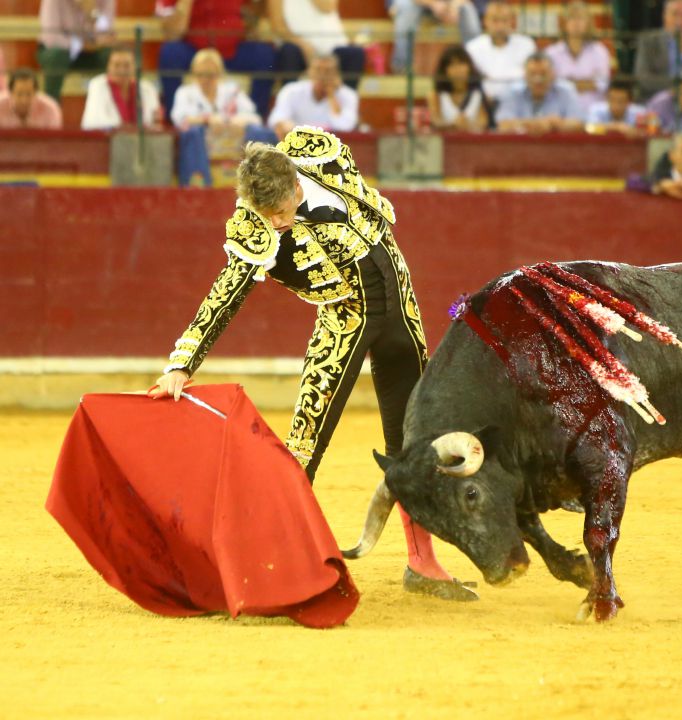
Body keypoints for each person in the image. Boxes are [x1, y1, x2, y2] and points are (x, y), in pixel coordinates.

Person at [148, 127, 478, 602]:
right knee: (304, 445)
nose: (276, 225)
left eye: (280, 213)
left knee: (416, 436)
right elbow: (224, 294)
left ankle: (422, 563)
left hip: (398, 301)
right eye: (266, 217)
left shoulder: (316, 152)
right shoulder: (255, 225)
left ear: (296, 186)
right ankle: (266, 564)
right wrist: (182, 363)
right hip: (344, 319)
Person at [170, 48, 276, 187]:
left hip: (232, 137)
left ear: (219, 73)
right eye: (200, 74)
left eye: (210, 75)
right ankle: (198, 184)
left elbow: (254, 117)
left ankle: (263, 182)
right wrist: (207, 119)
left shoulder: (232, 90)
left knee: (259, 131)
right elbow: (179, 118)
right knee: (192, 133)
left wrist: (236, 121)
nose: (204, 79)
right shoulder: (186, 92)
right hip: (203, 139)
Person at [155, 0, 276, 119]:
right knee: (169, 52)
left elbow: (257, 7)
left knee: (264, 54)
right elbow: (172, 34)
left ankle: (255, 121)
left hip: (231, 49)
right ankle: (174, 123)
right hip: (194, 51)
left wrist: (249, 24)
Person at [267, 0, 366, 90]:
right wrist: (303, 45)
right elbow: (278, 26)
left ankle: (344, 104)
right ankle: (290, 104)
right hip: (297, 47)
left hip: (332, 47)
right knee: (289, 51)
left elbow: (327, 7)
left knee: (355, 53)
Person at [37, 0, 116, 101]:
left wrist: (92, 12)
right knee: (56, 56)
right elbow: (51, 37)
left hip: (92, 52)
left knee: (112, 56)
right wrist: (82, 45)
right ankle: (52, 109)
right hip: (61, 52)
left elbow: (107, 33)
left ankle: (106, 107)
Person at [543, 2, 611, 116]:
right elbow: (550, 86)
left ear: (588, 23)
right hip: (559, 113)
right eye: (572, 18)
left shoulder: (600, 51)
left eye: (581, 18)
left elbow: (601, 84)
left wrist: (567, 82)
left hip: (592, 111)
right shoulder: (551, 52)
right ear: (564, 23)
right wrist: (586, 83)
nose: (576, 23)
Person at [268, 55, 359, 139]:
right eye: (318, 70)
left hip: (332, 147)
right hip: (298, 143)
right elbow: (277, 118)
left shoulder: (348, 95)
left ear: (336, 74)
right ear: (309, 71)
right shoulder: (291, 91)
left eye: (328, 71)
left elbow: (345, 127)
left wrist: (332, 97)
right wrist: (285, 125)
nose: (322, 75)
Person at [495, 52, 585, 134]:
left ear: (553, 74)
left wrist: (553, 125)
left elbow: (579, 124)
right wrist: (537, 123)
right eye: (533, 74)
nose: (538, 80)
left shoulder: (566, 91)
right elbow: (503, 125)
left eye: (543, 74)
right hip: (520, 148)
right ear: (524, 75)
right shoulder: (512, 92)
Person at [465, 1, 536, 103]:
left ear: (512, 21)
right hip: (484, 103)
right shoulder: (472, 47)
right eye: (495, 20)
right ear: (485, 21)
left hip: (520, 101)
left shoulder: (527, 44)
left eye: (505, 20)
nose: (500, 26)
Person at [80, 46, 162, 131]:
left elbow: (155, 124)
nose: (121, 70)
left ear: (135, 66)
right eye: (116, 65)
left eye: (126, 65)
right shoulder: (97, 85)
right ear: (108, 66)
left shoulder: (148, 89)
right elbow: (93, 123)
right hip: (108, 142)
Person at [388, 0, 482, 74]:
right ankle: (401, 65)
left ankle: (474, 65)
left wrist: (454, 4)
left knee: (468, 10)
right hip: (419, 5)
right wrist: (433, 3)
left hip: (447, 6)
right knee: (405, 5)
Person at [427, 45, 491, 132]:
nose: (457, 69)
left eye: (461, 64)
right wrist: (453, 124)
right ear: (445, 70)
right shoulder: (436, 95)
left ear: (469, 67)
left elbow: (483, 122)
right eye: (452, 65)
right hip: (447, 142)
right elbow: (435, 120)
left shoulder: (480, 95)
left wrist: (468, 125)